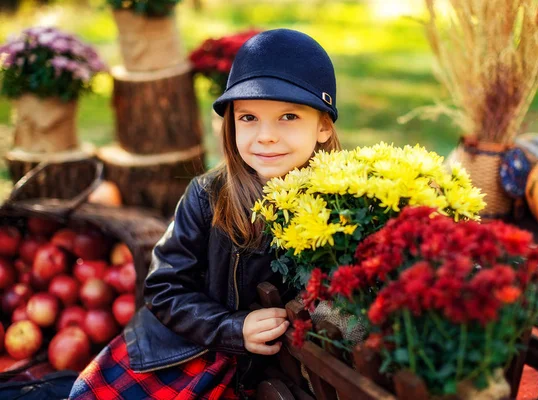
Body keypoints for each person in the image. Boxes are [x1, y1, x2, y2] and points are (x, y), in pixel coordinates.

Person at [69, 28, 342, 399]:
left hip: (283, 370)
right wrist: (233, 328)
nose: (266, 136)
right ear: (230, 122)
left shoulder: (344, 203)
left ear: (324, 126)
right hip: (193, 350)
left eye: (288, 116)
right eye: (248, 118)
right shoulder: (207, 196)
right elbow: (164, 288)